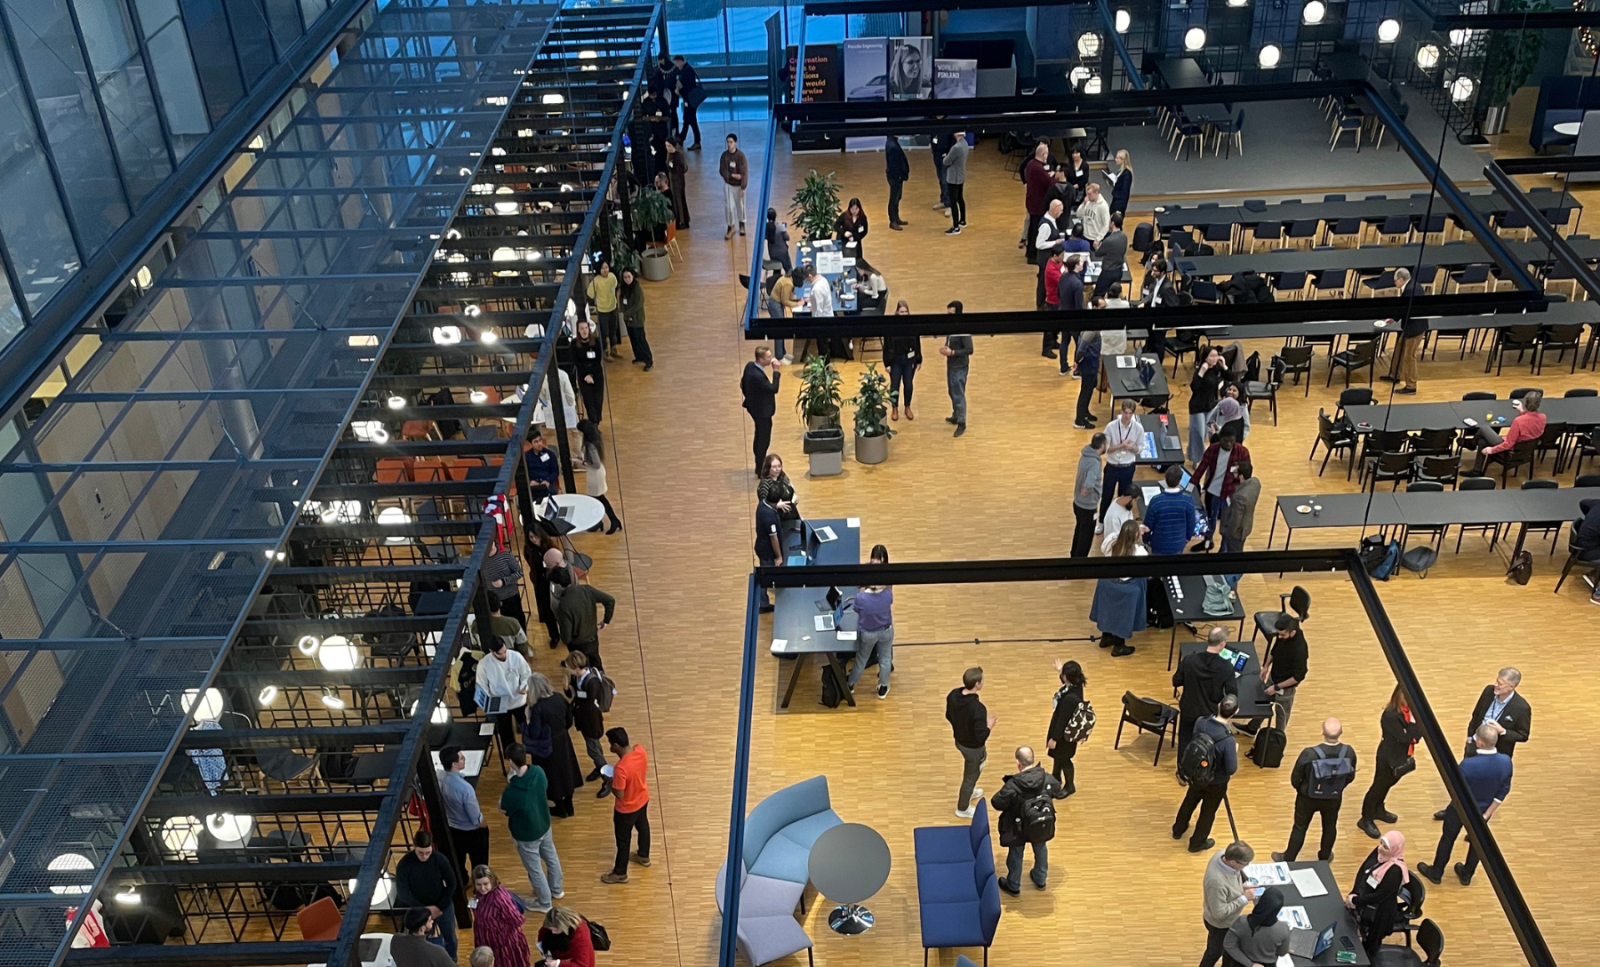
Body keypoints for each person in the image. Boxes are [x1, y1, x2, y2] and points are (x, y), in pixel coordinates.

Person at [1417, 724, 1514, 887]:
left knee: (1448, 839)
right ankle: (1467, 874)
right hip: (1484, 811)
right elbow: (1503, 791)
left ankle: (1436, 872)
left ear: (1481, 743)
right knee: (1477, 843)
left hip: (1459, 809)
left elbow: (1456, 790)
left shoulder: (1468, 765)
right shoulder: (1506, 762)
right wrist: (1487, 814)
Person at [1431, 668, 1530, 818]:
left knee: (1487, 787)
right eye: (1497, 680)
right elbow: (1476, 714)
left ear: (1511, 687)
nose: (1496, 685)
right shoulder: (1488, 691)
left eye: (1501, 684)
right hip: (1475, 745)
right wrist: (1470, 736)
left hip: (1496, 754)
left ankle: (1480, 823)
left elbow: (1523, 735)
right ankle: (1454, 810)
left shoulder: (1522, 707)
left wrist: (1502, 731)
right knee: (1463, 781)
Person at [1273, 718, 1356, 863]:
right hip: (1334, 797)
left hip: (1308, 797)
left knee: (1300, 827)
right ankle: (1325, 855)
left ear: (1322, 732)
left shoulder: (1309, 754)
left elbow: (1295, 778)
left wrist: (1302, 789)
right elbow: (1350, 776)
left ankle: (1289, 858)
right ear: (1341, 733)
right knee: (1330, 826)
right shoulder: (1348, 752)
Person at [989, 746, 1061, 894]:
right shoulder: (1047, 778)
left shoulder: (1013, 786)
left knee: (1016, 852)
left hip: (1018, 826)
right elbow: (1057, 789)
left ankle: (1014, 885)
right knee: (1040, 847)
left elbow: (996, 802)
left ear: (1018, 763)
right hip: (1039, 822)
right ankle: (1040, 879)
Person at [500, 743, 562, 910]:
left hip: (526, 834)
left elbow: (504, 808)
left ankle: (544, 902)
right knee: (551, 858)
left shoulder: (512, 791)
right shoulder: (539, 772)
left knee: (535, 869)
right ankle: (557, 890)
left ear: (511, 761)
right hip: (544, 824)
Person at [1175, 694, 1240, 853]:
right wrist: (1235, 751)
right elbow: (1231, 769)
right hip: (1216, 782)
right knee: (1208, 812)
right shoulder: (1228, 740)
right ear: (1235, 712)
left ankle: (1178, 829)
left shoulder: (1201, 722)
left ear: (1218, 705)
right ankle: (1196, 843)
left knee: (1190, 800)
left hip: (1196, 774)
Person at [1358, 685, 1424, 839]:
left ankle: (1379, 809)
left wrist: (1413, 730)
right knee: (1378, 787)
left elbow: (1418, 736)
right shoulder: (1390, 716)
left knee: (1388, 784)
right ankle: (1366, 818)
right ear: (1398, 696)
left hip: (1400, 756)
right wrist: (1414, 725)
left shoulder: (1410, 713)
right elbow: (1406, 738)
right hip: (1387, 757)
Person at [524, 672, 583, 818]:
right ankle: (569, 805)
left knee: (553, 776)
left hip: (546, 746)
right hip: (563, 741)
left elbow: (535, 733)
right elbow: (569, 720)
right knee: (566, 771)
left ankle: (560, 808)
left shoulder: (537, 708)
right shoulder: (559, 698)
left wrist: (527, 720)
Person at [1173, 628, 1240, 756]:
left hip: (1189, 709)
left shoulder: (1189, 660)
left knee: (1185, 740)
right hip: (1209, 714)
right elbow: (1232, 693)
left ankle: (1183, 770)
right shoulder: (1226, 667)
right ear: (1222, 644)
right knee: (1207, 744)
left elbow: (1176, 681)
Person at [395, 831, 459, 959]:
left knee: (450, 938)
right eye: (420, 853)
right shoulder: (404, 864)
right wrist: (425, 910)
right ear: (414, 847)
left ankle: (452, 961)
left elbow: (452, 884)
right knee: (423, 941)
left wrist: (439, 907)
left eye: (427, 853)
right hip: (420, 910)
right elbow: (403, 893)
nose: (424, 856)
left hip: (442, 907)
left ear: (432, 847)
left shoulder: (439, 859)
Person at [600, 727, 651, 884]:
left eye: (610, 744)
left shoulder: (621, 768)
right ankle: (643, 855)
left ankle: (620, 873)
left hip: (626, 809)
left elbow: (620, 794)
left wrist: (611, 781)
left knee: (623, 841)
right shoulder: (640, 750)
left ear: (616, 745)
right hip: (642, 799)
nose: (610, 748)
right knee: (643, 827)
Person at [1347, 832, 1411, 958]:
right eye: (1381, 843)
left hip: (1380, 912)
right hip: (1364, 899)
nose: (1380, 848)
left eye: (1385, 847)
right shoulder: (1379, 852)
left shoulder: (1395, 871)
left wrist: (1355, 900)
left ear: (1394, 849)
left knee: (1370, 945)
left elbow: (1379, 896)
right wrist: (1354, 892)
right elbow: (1363, 870)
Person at [1201, 841, 1263, 967]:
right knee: (1213, 953)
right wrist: (1244, 898)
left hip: (1228, 920)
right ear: (1233, 862)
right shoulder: (1217, 882)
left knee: (1227, 951)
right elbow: (1219, 913)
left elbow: (1235, 877)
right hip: (1220, 925)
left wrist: (1243, 885)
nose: (1247, 866)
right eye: (1245, 864)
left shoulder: (1223, 855)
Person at [845, 544, 895, 698]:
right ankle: (883, 687)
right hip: (886, 630)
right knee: (885, 659)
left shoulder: (861, 598)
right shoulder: (888, 595)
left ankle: (851, 684)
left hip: (868, 633)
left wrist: (860, 595)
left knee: (861, 660)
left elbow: (857, 608)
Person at [1092, 522, 1146, 657]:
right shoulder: (1139, 552)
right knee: (1123, 617)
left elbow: (1105, 547)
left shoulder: (1110, 541)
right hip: (1125, 588)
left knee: (1108, 610)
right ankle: (1119, 646)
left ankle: (1106, 637)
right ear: (1135, 535)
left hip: (1107, 583)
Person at [440, 746, 491, 886]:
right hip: (472, 832)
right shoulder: (465, 788)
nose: (464, 759)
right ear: (454, 764)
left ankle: (463, 882)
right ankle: (480, 885)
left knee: (458, 862)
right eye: (461, 758)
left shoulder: (442, 780)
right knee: (479, 863)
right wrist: (485, 825)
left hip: (454, 830)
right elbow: (475, 818)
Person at [947, 667, 994, 818]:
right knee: (970, 777)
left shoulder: (953, 695)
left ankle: (970, 790)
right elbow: (981, 737)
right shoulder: (978, 709)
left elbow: (949, 715)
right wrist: (988, 726)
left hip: (959, 741)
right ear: (977, 684)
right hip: (972, 748)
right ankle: (963, 808)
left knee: (972, 771)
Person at [1250, 614, 1307, 731]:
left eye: (1282, 635)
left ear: (1292, 633)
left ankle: (1278, 739)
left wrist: (1276, 687)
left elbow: (1298, 677)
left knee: (1282, 715)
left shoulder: (1299, 650)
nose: (1279, 637)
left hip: (1285, 688)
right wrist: (1266, 666)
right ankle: (1251, 728)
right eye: (1278, 634)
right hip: (1274, 677)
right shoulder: (1282, 636)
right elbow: (1274, 650)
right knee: (1262, 704)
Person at [1194, 430, 1250, 546]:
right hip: (1212, 491)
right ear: (1220, 439)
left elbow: (1246, 474)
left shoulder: (1242, 452)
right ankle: (1208, 541)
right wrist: (1191, 485)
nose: (1229, 444)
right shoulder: (1213, 449)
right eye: (1225, 441)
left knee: (1226, 523)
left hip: (1229, 494)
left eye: (1232, 441)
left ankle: (1224, 549)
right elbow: (1202, 467)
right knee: (1210, 518)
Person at [562, 650, 610, 783]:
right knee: (595, 747)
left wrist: (574, 707)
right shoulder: (576, 677)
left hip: (591, 722)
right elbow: (573, 694)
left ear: (577, 668)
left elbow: (589, 706)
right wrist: (566, 687)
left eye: (569, 667)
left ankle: (608, 778)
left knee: (593, 750)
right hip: (584, 720)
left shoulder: (592, 682)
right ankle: (599, 768)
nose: (567, 670)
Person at [478, 634, 531, 752]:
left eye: (505, 651)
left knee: (527, 727)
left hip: (519, 700)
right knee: (505, 734)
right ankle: (512, 759)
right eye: (500, 653)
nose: (504, 655)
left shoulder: (516, 656)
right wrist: (490, 701)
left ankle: (530, 750)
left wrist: (524, 687)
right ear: (491, 651)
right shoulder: (484, 664)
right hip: (500, 704)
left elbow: (526, 674)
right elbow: (482, 685)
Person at [470, 866, 531, 967]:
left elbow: (517, 920)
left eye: (486, 884)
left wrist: (501, 933)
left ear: (492, 881)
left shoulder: (500, 899)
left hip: (502, 943)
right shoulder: (477, 894)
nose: (482, 888)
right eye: (478, 884)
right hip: (485, 937)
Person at [554, 571, 614, 672]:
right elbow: (610, 600)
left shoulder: (563, 605)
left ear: (558, 586)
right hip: (593, 637)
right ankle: (601, 678)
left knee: (580, 666)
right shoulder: (587, 589)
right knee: (596, 660)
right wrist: (606, 621)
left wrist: (566, 641)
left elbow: (566, 637)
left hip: (577, 644)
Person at [1474, 391, 1546, 473]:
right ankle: (1476, 471)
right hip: (1526, 451)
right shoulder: (1543, 417)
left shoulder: (1518, 421)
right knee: (1482, 442)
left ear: (1525, 402)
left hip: (1510, 453)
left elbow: (1508, 444)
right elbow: (1530, 424)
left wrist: (1492, 450)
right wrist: (1522, 411)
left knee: (1484, 428)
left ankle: (1471, 444)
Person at [1045, 660, 1088, 792]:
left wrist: (1054, 739)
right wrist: (1060, 671)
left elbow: (1062, 721)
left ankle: (1070, 786)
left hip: (1064, 734)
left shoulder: (1070, 699)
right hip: (1064, 731)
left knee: (1064, 758)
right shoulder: (1077, 685)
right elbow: (1066, 684)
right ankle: (1056, 777)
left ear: (1066, 677)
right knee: (1059, 756)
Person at [574, 420, 622, 535]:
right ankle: (598, 522)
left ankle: (613, 520)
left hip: (595, 475)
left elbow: (596, 464)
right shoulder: (594, 440)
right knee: (596, 499)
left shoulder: (589, 445)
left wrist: (583, 463)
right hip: (595, 473)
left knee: (599, 499)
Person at [1223, 887, 1290, 967]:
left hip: (1241, 962)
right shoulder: (1283, 929)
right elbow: (1282, 953)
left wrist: (1250, 964)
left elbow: (1228, 944)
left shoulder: (1242, 922)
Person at [1100, 400, 1144, 521]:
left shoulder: (1138, 428)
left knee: (1125, 496)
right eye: (1125, 413)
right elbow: (1106, 449)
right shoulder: (1111, 426)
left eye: (1130, 413)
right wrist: (1121, 445)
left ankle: (1121, 521)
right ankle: (1102, 521)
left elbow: (1140, 448)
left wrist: (1132, 448)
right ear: (1121, 411)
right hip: (1112, 466)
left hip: (1127, 467)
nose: (1127, 416)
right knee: (1107, 495)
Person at [740, 345, 781, 472]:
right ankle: (760, 468)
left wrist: (751, 398)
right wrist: (776, 371)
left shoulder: (749, 366)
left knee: (759, 435)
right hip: (762, 412)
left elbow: (742, 384)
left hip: (754, 408)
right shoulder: (758, 376)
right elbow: (774, 389)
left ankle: (759, 464)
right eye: (768, 357)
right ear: (760, 359)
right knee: (763, 439)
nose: (771, 358)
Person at [1380, 268, 1422, 392]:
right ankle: (1394, 376)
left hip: (1415, 328)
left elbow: (1406, 310)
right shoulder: (1413, 285)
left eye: (1395, 281)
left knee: (1409, 357)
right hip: (1410, 325)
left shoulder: (1409, 291)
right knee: (1399, 350)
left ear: (1401, 279)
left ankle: (1411, 385)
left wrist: (1393, 317)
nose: (1394, 283)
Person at [1145, 464, 1201, 555]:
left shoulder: (1156, 501)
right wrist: (1186, 539)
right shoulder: (1188, 500)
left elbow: (1147, 525)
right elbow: (1191, 524)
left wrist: (1146, 540)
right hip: (1178, 544)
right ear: (1180, 481)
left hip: (1158, 544)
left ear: (1166, 479)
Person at [1189, 347, 1229, 464]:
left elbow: (1231, 378)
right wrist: (1201, 371)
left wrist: (1224, 365)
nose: (1215, 358)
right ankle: (1197, 459)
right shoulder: (1201, 369)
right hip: (1198, 406)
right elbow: (1194, 387)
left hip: (1210, 405)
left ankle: (1193, 453)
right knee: (1199, 433)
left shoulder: (1217, 368)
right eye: (1212, 356)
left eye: (1216, 355)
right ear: (1205, 358)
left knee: (1205, 433)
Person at [885, 303, 922, 421]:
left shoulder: (912, 326)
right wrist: (887, 363)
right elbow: (886, 346)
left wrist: (918, 359)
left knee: (908, 384)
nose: (904, 314)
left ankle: (907, 407)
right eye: (902, 312)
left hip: (908, 360)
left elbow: (917, 343)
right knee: (895, 385)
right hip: (895, 360)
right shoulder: (890, 327)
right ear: (897, 313)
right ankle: (894, 408)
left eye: (906, 311)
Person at [1072, 433, 1106, 557]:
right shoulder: (1094, 463)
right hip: (1088, 506)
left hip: (1077, 503)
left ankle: (1074, 556)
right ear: (1102, 445)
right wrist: (1086, 489)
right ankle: (1080, 562)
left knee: (1079, 530)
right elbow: (1090, 482)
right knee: (1086, 537)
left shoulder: (1085, 455)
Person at [942, 305, 972, 436]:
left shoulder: (964, 329)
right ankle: (956, 415)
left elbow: (969, 349)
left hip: (960, 367)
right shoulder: (951, 326)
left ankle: (962, 422)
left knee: (958, 394)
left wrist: (952, 352)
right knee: (952, 391)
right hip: (951, 365)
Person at [1218, 462, 1259, 556]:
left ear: (1241, 476)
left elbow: (1235, 520)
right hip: (1247, 525)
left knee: (1234, 557)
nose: (1234, 474)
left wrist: (1228, 533)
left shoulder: (1239, 497)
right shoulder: (1255, 483)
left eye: (1236, 472)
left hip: (1236, 534)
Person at [1035, 197, 1066, 318]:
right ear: (1054, 210)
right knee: (1043, 281)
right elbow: (1039, 244)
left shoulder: (1051, 219)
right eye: (1061, 210)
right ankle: (1041, 304)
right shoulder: (1046, 226)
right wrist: (1055, 242)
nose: (1062, 212)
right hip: (1044, 257)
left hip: (1048, 256)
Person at [617, 267, 653, 371]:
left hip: (637, 319)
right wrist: (625, 313)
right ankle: (639, 356)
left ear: (633, 276)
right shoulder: (623, 288)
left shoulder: (637, 288)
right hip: (628, 321)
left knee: (640, 339)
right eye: (625, 277)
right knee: (633, 339)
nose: (627, 279)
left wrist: (628, 313)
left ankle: (648, 360)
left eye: (628, 277)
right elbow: (621, 301)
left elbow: (638, 304)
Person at [1022, 142, 1053, 261]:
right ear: (1043, 154)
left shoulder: (1031, 164)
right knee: (1036, 230)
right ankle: (1033, 255)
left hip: (1031, 201)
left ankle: (1029, 252)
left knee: (1031, 229)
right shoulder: (1038, 168)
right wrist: (1056, 178)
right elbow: (1048, 182)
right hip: (1037, 203)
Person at [585, 261, 621, 359]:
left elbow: (616, 287)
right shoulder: (596, 281)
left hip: (613, 307)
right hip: (602, 310)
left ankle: (613, 349)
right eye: (603, 268)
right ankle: (606, 352)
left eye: (606, 267)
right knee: (605, 332)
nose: (605, 270)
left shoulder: (612, 277)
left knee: (613, 330)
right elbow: (590, 293)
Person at [719, 133, 747, 239]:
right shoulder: (724, 156)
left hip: (739, 186)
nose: (729, 144)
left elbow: (744, 172)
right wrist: (733, 175)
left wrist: (743, 187)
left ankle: (742, 225)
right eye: (727, 142)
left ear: (735, 143)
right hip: (728, 185)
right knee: (729, 207)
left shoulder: (741, 156)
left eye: (731, 142)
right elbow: (722, 171)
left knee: (741, 206)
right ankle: (731, 227)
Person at [756, 452, 800, 521]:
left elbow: (790, 487)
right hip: (774, 518)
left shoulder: (783, 476)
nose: (777, 469)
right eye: (774, 467)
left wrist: (794, 497)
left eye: (779, 466)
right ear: (768, 468)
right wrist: (776, 505)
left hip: (790, 516)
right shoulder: (764, 484)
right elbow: (763, 506)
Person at [672, 54, 701, 148]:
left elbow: (687, 87)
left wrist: (678, 91)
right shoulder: (687, 70)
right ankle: (681, 137)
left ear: (680, 61)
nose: (676, 66)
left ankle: (696, 141)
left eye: (676, 63)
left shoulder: (687, 71)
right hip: (689, 99)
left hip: (690, 100)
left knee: (691, 120)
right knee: (687, 119)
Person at [1072, 327, 1100, 426]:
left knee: (1091, 386)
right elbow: (1081, 348)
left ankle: (1085, 412)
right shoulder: (1090, 332)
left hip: (1093, 364)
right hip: (1089, 365)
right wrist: (1076, 361)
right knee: (1085, 391)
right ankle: (1079, 420)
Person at [944, 131, 969, 234]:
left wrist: (946, 157)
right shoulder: (965, 144)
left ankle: (955, 227)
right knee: (960, 198)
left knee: (953, 202)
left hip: (953, 177)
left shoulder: (956, 147)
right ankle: (962, 220)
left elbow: (946, 161)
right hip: (961, 175)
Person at [524, 433, 560, 503]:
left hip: (547, 483)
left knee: (549, 496)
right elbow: (524, 473)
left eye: (540, 440)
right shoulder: (526, 456)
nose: (539, 443)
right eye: (536, 442)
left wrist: (548, 480)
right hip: (533, 484)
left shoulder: (550, 454)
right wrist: (529, 481)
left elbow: (555, 471)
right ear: (531, 443)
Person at [665, 138, 690, 229]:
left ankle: (682, 221)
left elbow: (685, 168)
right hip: (672, 180)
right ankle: (678, 219)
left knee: (679, 200)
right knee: (675, 200)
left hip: (678, 180)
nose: (667, 148)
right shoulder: (669, 155)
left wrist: (677, 172)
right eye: (666, 146)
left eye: (669, 146)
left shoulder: (678, 156)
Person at [886, 136, 909, 229]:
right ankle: (893, 221)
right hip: (895, 176)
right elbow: (894, 164)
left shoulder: (892, 142)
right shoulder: (893, 146)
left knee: (897, 197)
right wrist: (899, 175)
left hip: (896, 176)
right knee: (894, 198)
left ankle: (896, 217)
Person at [1103, 148, 1133, 216]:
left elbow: (1125, 191)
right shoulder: (1121, 171)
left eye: (1117, 158)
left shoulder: (1127, 173)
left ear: (1122, 160)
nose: (1115, 159)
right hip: (1116, 199)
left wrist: (1122, 207)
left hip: (1120, 203)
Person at [930, 130, 952, 211]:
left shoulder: (948, 124)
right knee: (940, 178)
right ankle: (943, 200)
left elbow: (953, 141)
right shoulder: (934, 125)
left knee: (945, 180)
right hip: (937, 156)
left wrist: (949, 153)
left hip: (946, 157)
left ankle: (948, 204)